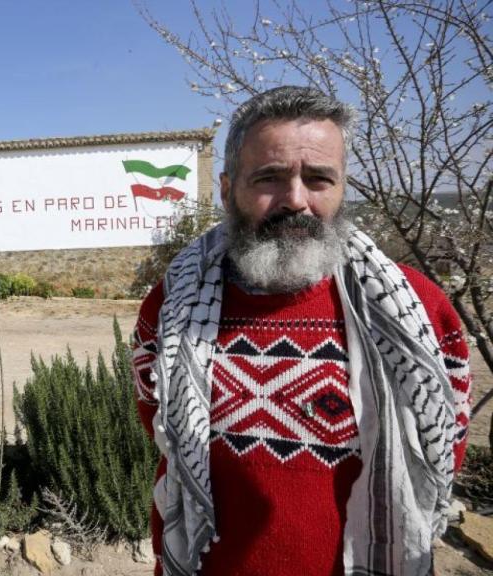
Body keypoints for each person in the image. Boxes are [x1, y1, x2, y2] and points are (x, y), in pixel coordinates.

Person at [132, 85, 471, 576]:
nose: (295, 200)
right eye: (269, 178)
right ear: (227, 189)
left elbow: (443, 451)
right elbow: (163, 431)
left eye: (318, 179)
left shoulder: (419, 312)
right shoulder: (174, 306)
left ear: (341, 188)